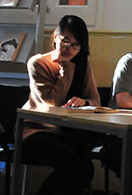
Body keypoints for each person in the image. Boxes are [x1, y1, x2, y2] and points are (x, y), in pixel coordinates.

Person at [21, 15, 101, 195]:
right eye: (66, 41)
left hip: (67, 131)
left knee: (86, 168)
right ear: (55, 37)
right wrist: (65, 68)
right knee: (74, 166)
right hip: (36, 130)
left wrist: (85, 102)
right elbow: (52, 103)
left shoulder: (83, 63)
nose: (70, 49)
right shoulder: (38, 63)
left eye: (76, 45)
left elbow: (95, 100)